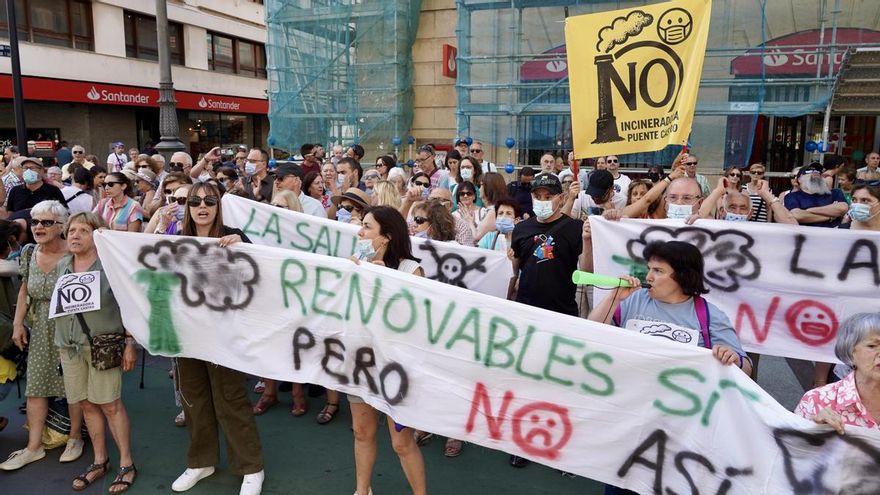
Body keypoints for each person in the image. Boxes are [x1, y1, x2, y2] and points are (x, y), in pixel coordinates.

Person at [171, 182, 264, 495]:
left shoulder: (234, 234)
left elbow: (260, 269)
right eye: (195, 201)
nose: (202, 205)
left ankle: (251, 467)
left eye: (209, 200)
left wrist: (243, 244)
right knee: (194, 398)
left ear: (217, 205)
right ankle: (201, 461)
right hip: (187, 334)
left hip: (225, 335)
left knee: (231, 398)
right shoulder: (176, 239)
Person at [509, 173, 592, 467]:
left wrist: (589, 242)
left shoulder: (574, 228)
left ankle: (560, 440)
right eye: (538, 196)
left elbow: (588, 270)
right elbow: (515, 269)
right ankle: (524, 440)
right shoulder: (522, 229)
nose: (543, 201)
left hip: (562, 313)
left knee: (559, 379)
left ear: (560, 197)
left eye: (549, 196)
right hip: (526, 314)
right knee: (527, 378)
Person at [56, 212, 138, 493]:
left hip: (102, 346)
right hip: (68, 346)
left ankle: (127, 463)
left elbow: (129, 305)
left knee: (110, 404)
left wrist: (130, 342)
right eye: (72, 230)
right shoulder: (63, 265)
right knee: (86, 403)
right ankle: (100, 460)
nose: (75, 236)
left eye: (83, 230)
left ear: (98, 235)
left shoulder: (111, 267)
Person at [1, 201, 86, 471]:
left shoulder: (74, 253)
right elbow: (24, 290)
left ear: (62, 226)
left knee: (72, 387)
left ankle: (74, 438)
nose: (38, 227)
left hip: (70, 326)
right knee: (36, 387)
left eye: (47, 222)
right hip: (38, 328)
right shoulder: (28, 252)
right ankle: (33, 446)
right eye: (36, 222)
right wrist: (17, 325)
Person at [349, 205, 427, 495]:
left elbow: (416, 322)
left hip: (397, 368)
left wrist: (387, 284)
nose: (360, 231)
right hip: (362, 362)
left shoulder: (411, 270)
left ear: (386, 237)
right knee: (362, 432)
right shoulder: (354, 265)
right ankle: (361, 490)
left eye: (367, 227)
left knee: (401, 442)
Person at [796, 312, 880, 433]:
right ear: (850, 352)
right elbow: (791, 448)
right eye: (872, 346)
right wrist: (814, 430)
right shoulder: (815, 401)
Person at [700, 180, 797, 224]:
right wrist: (718, 191)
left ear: (751, 213)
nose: (737, 212)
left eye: (743, 208)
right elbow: (699, 216)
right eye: (732, 207)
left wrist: (766, 195)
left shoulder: (759, 230)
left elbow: (792, 224)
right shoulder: (713, 227)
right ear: (722, 211)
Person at [783, 162, 848, 228]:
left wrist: (808, 210)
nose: (815, 173)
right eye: (809, 171)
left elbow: (842, 208)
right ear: (799, 179)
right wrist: (831, 216)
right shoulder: (792, 196)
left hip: (833, 235)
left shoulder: (835, 193)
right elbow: (797, 215)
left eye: (818, 171)